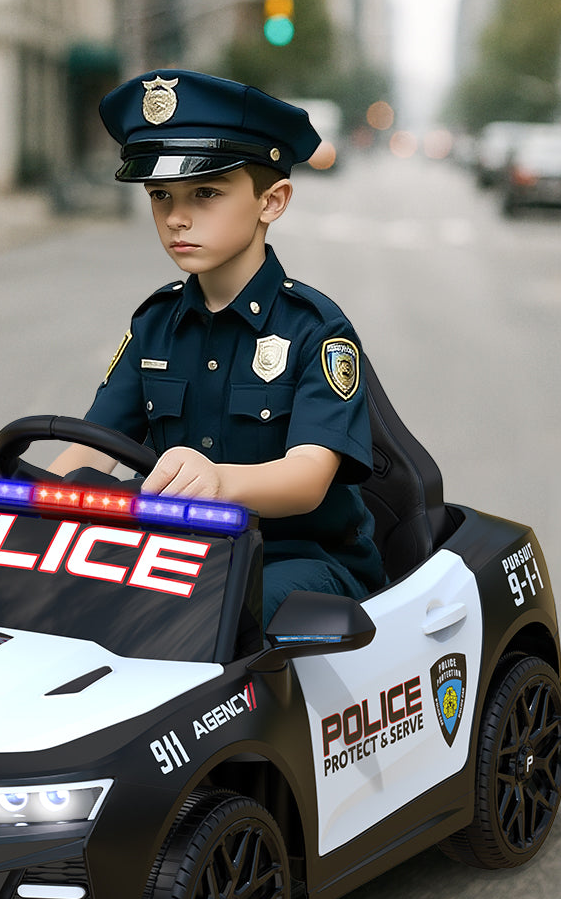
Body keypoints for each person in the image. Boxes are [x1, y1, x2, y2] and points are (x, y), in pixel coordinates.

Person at [50, 69, 385, 627]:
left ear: (271, 202)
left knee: (211, 615)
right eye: (161, 196)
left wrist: (218, 482)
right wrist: (20, 504)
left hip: (299, 559)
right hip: (179, 554)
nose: (177, 217)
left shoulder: (315, 329)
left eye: (205, 193)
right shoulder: (155, 324)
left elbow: (307, 478)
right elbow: (94, 445)